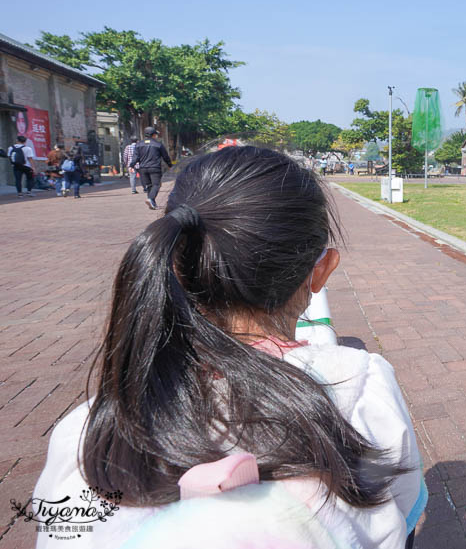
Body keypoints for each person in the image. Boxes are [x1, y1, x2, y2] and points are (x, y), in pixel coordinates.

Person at [33, 146, 425, 548]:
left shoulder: (86, 434)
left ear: (174, 264)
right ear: (321, 270)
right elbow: (400, 518)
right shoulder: (361, 386)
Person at [130, 127, 173, 210]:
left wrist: (131, 166)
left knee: (149, 185)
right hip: (154, 168)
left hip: (143, 168)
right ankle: (151, 199)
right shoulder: (158, 144)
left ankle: (152, 203)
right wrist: (170, 165)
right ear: (153, 135)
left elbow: (135, 157)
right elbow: (165, 156)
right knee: (156, 185)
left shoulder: (139, 145)